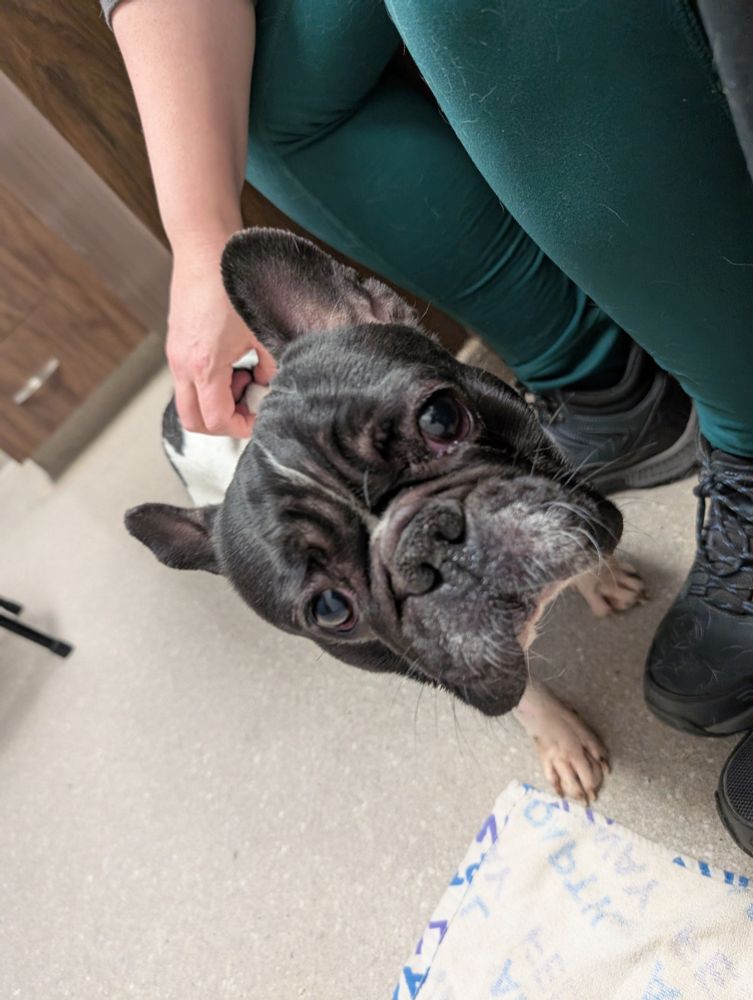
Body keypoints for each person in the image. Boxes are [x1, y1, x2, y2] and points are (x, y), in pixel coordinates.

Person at [103, 0, 753, 838]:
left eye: (438, 425)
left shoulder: (334, 376)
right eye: (333, 605)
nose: (438, 558)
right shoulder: (239, 524)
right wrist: (197, 240)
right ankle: (600, 379)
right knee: (266, 97)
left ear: (370, 310)